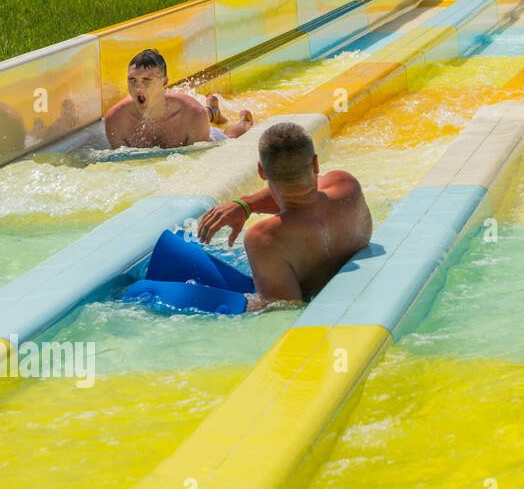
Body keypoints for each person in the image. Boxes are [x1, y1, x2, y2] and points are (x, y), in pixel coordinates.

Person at [190, 122, 373, 309]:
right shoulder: (346, 186)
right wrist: (245, 205)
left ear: (261, 171)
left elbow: (284, 309)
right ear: (315, 164)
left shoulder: (265, 238)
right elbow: (306, 192)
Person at [103, 49, 253, 148]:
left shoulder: (192, 113)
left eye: (146, 80)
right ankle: (212, 111)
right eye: (132, 80)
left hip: (205, 133)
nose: (138, 88)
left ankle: (244, 122)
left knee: (230, 138)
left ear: (164, 82)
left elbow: (200, 164)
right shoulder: (116, 120)